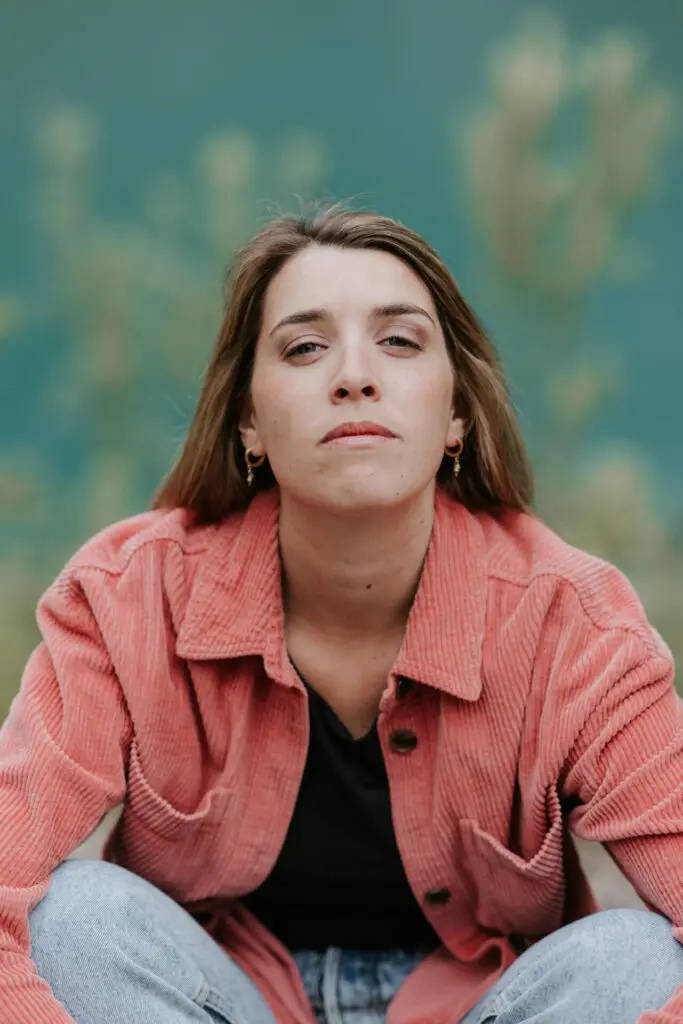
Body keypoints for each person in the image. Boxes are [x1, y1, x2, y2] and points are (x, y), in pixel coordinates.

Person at [1, 206, 682, 1024]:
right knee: (73, 919)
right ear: (248, 421)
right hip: (212, 1000)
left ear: (456, 414)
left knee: (633, 958)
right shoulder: (128, 598)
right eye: (304, 348)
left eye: (398, 341)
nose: (354, 376)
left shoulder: (574, 627)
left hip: (487, 1006)